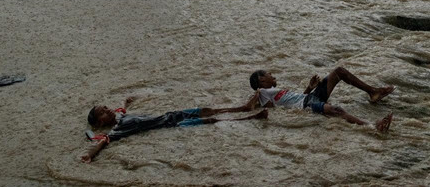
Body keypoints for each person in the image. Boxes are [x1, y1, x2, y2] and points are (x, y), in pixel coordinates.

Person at [82, 96, 265, 162]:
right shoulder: (117, 129)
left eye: (106, 107)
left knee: (205, 110)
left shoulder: (120, 116)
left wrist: (126, 102)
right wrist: (89, 155)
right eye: (102, 112)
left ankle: (243, 108)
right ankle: (249, 117)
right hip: (171, 125)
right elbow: (102, 142)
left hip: (171, 115)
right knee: (211, 120)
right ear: (99, 124)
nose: (108, 110)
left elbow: (121, 109)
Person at [241, 66, 395, 132]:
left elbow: (293, 100)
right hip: (308, 104)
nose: (271, 74)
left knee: (339, 71)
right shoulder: (263, 92)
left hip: (309, 97)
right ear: (262, 80)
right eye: (268, 74)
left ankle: (373, 92)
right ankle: (372, 126)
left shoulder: (272, 92)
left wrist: (309, 87)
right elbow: (250, 106)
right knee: (336, 110)